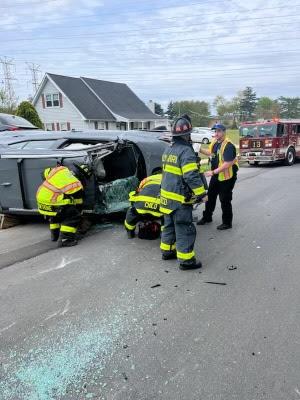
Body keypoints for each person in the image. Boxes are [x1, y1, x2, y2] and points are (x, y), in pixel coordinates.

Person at [160, 114, 207, 270]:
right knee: (184, 228)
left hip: (166, 197)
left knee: (168, 226)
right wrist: (201, 193)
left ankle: (167, 252)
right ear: (187, 134)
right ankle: (186, 261)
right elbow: (191, 175)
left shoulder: (168, 149)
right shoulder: (186, 151)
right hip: (179, 199)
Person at [36, 163, 91, 247]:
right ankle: (66, 239)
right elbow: (79, 201)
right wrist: (79, 213)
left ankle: (55, 235)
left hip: (41, 199)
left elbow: (43, 173)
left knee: (55, 216)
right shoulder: (76, 183)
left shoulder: (60, 169)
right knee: (72, 216)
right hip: (54, 201)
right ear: (82, 175)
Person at [197, 123, 239, 230]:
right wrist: (200, 150)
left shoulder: (228, 145)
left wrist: (213, 172)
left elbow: (228, 163)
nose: (216, 133)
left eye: (219, 131)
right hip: (216, 175)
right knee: (210, 197)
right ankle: (207, 217)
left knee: (225, 199)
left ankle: (227, 223)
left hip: (227, 177)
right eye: (215, 131)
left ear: (224, 132)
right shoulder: (215, 142)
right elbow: (211, 153)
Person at [124, 172, 162, 239]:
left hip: (142, 205)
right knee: (168, 217)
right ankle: (164, 236)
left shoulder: (147, 179)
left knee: (132, 212)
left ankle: (130, 232)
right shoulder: (167, 179)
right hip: (159, 206)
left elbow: (139, 190)